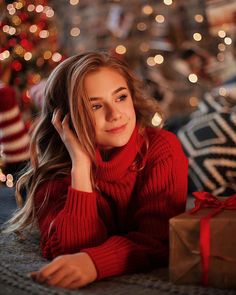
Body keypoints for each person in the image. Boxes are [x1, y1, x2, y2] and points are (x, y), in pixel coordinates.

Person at [5, 52, 188, 289]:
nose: (115, 115)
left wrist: (95, 262)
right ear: (66, 119)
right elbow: (69, 249)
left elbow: (161, 238)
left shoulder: (162, 148)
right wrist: (80, 166)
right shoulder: (58, 169)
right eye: (96, 105)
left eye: (121, 97)